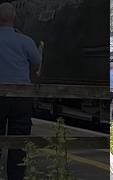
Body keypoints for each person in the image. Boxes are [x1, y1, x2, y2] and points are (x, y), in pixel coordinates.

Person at [0, 2, 41, 180]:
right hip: (21, 97)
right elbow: (36, 62)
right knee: (19, 142)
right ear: (14, 18)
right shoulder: (25, 41)